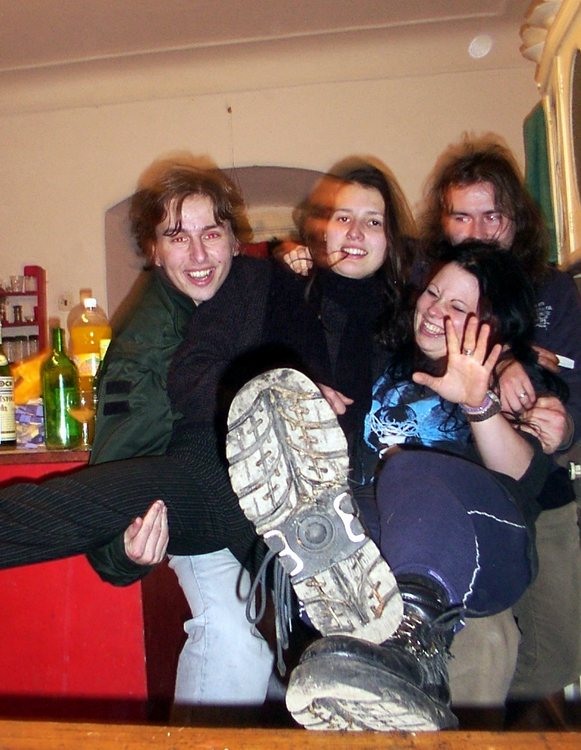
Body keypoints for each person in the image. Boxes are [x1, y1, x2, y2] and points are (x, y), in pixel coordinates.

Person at [225, 242, 562, 731]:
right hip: (382, 554)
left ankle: (412, 637)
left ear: (492, 326)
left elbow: (524, 480)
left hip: (485, 551)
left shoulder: (513, 380)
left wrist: (478, 402)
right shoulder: (388, 360)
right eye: (433, 293)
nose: (435, 310)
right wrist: (322, 408)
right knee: (353, 508)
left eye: (458, 306)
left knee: (406, 470)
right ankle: (339, 589)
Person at [84, 159, 283, 709]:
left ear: (235, 241)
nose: (198, 255)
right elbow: (116, 463)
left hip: (258, 504)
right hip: (197, 507)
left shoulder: (246, 297)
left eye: (210, 234)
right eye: (177, 237)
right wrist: (120, 551)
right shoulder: (147, 348)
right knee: (231, 643)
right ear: (154, 250)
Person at [420, 138, 581, 709]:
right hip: (462, 488)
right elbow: (420, 352)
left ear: (517, 218)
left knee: (559, 650)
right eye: (462, 216)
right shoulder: (432, 282)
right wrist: (509, 359)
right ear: (443, 222)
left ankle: (478, 720)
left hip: (541, 486)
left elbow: (574, 382)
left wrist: (566, 427)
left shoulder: (553, 290)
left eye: (492, 215)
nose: (478, 231)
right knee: (483, 644)